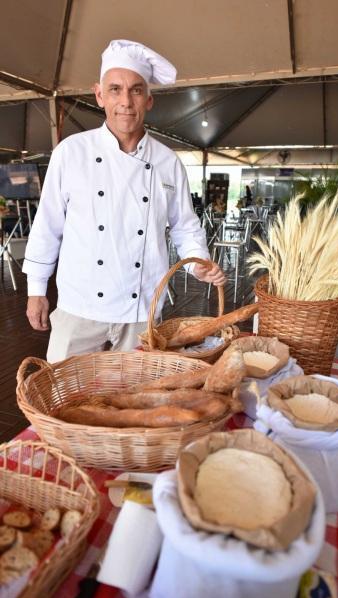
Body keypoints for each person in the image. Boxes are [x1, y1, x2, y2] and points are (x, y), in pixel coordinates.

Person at [23, 39, 225, 362]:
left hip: (140, 312)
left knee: (134, 402)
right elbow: (47, 227)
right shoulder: (71, 153)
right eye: (115, 89)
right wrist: (36, 290)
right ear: (99, 95)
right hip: (80, 307)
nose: (125, 101)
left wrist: (199, 262)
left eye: (136, 90)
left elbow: (185, 227)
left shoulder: (168, 163)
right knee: (62, 398)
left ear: (149, 99)